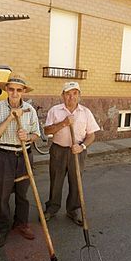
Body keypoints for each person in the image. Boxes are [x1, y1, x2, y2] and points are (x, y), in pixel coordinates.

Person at [0, 73, 40, 247]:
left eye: (19, 90)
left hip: (24, 154)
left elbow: (36, 135)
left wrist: (28, 136)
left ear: (23, 91)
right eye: (11, 89)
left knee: (22, 194)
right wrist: (10, 117)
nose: (15, 93)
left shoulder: (30, 110)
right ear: (6, 90)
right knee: (2, 195)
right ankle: (2, 228)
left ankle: (21, 224)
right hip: (4, 156)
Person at [43, 81, 100, 225]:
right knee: (56, 181)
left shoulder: (86, 112)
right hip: (58, 150)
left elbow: (91, 135)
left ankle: (72, 210)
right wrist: (63, 123)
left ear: (79, 95)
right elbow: (46, 131)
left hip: (77, 151)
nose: (71, 97)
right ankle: (52, 209)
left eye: (75, 93)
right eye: (68, 94)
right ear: (62, 95)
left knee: (76, 182)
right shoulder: (55, 111)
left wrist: (82, 147)